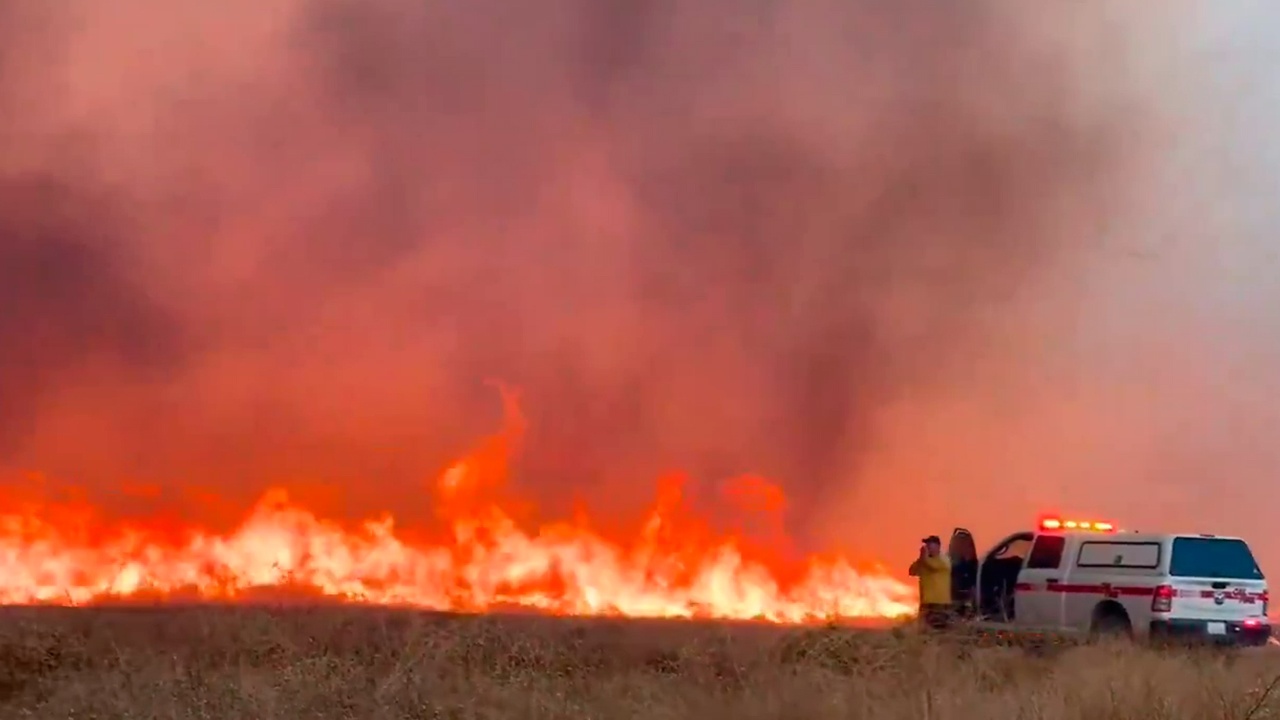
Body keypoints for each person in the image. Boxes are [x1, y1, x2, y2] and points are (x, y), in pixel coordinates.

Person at [909, 535, 952, 630]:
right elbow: (912, 571)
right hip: (926, 602)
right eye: (927, 544)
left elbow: (933, 567)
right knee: (924, 631)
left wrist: (923, 558)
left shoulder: (943, 560)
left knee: (938, 631)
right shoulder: (924, 561)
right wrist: (920, 559)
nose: (927, 547)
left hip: (939, 603)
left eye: (930, 544)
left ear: (937, 546)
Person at [949, 530, 979, 619]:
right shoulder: (948, 565)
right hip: (955, 601)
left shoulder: (974, 565)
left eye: (965, 544)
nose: (962, 547)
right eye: (959, 544)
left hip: (968, 601)